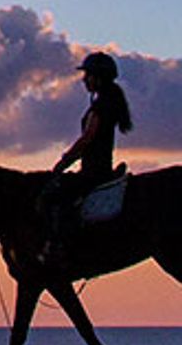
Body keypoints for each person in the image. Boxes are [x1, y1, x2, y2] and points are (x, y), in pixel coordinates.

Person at [40, 52, 133, 264]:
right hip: (97, 168)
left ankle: (58, 246)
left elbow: (87, 139)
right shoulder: (108, 102)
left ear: (98, 77)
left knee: (54, 196)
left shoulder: (101, 106)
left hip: (94, 171)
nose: (84, 80)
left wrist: (64, 161)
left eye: (88, 75)